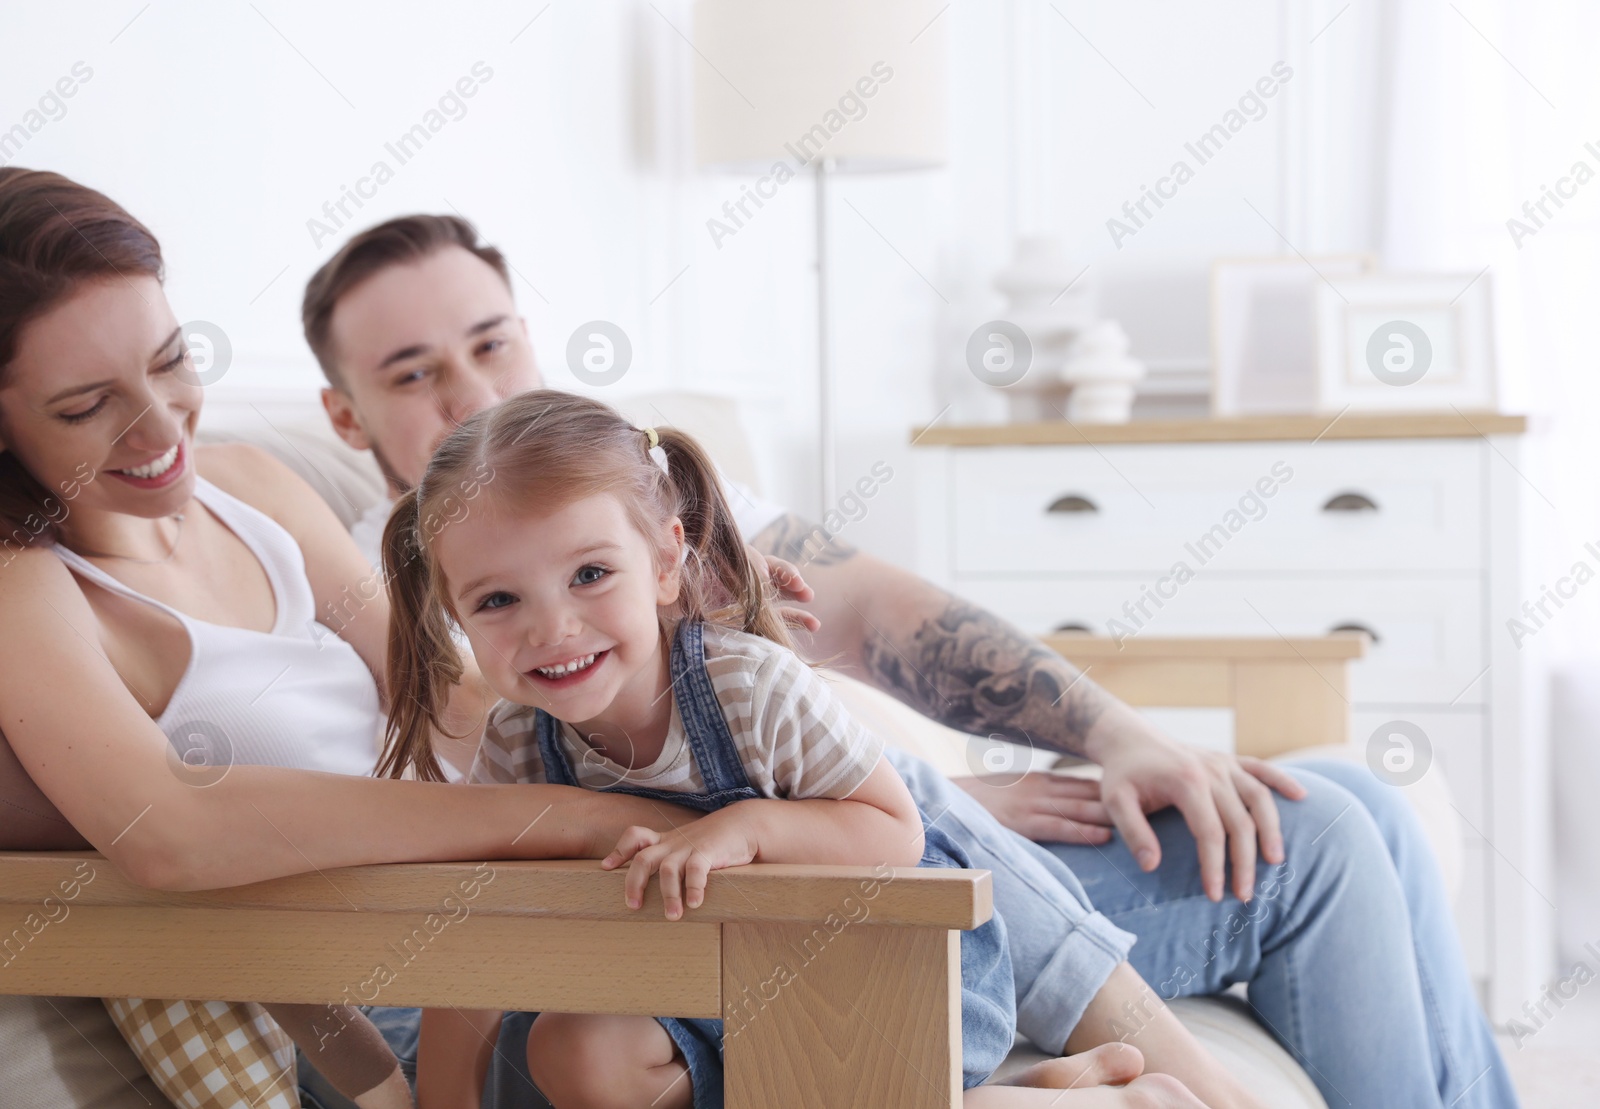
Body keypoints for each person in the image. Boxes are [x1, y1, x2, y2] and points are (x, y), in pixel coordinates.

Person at [0, 168, 1212, 1108]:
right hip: (451, 931)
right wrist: (565, 821)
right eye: (84, 404)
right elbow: (172, 827)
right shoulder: (26, 587)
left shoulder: (250, 483)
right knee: (910, 826)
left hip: (563, 871)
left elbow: (457, 699)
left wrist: (691, 686)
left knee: (913, 803)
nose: (162, 426)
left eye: (171, 361)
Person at [303, 211, 1519, 1109]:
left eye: (490, 342)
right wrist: (911, 796)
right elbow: (537, 814)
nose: (471, 393)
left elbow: (877, 611)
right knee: (1325, 836)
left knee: (1343, 792)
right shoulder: (409, 583)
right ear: (346, 419)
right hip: (766, 891)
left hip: (846, 835)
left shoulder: (621, 503)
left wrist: (1116, 735)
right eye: (413, 375)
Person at [379, 389, 1161, 1107]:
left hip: (883, 963)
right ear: (454, 612)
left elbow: (896, 830)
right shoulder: (517, 740)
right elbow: (478, 934)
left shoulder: (746, 688)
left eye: (589, 573)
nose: (551, 628)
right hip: (693, 986)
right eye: (498, 600)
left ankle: (1090, 1091)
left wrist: (746, 828)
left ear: (662, 561)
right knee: (572, 1049)